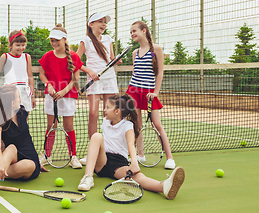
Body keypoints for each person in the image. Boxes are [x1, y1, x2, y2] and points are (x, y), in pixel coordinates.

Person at [77, 94, 185, 200]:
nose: (104, 109)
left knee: (137, 178)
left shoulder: (127, 125)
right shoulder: (105, 121)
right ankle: (88, 177)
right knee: (96, 136)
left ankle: (163, 186)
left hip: (119, 164)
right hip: (102, 161)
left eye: (107, 107)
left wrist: (134, 162)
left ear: (117, 111)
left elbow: (131, 144)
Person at [0, 85, 42, 200]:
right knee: (12, 147)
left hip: (31, 161)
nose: (20, 99)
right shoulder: (0, 122)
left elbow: (26, 138)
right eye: (18, 97)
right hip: (12, 157)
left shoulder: (22, 112)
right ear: (12, 103)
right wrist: (0, 160)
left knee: (29, 165)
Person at [127, 20, 176, 169]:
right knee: (137, 125)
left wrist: (155, 93)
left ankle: (170, 158)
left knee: (157, 125)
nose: (132, 34)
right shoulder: (135, 53)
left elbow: (160, 73)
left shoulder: (156, 49)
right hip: (134, 91)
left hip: (149, 94)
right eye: (130, 32)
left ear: (144, 30)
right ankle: (140, 155)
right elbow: (135, 73)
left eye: (134, 31)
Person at [38, 24, 87, 169]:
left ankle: (73, 157)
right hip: (51, 96)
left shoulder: (74, 56)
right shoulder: (47, 56)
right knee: (50, 126)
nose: (53, 43)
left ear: (64, 39)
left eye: (56, 40)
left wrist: (64, 91)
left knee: (68, 126)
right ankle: (47, 156)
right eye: (52, 40)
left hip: (68, 96)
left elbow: (75, 79)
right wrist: (49, 85)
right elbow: (42, 74)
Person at [76, 12, 120, 166]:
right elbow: (76, 61)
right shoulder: (85, 40)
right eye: (100, 21)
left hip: (109, 79)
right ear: (91, 24)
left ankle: (110, 149)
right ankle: (92, 152)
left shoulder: (108, 39)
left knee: (109, 114)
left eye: (105, 22)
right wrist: (90, 71)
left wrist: (116, 61)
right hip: (94, 80)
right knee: (93, 114)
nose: (103, 24)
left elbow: (112, 59)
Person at [0, 29, 36, 112]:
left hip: (25, 93)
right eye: (18, 45)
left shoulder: (27, 57)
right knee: (11, 122)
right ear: (11, 45)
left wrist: (32, 96)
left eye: (23, 45)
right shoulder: (5, 57)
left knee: (23, 122)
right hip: (10, 94)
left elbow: (30, 77)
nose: (21, 48)